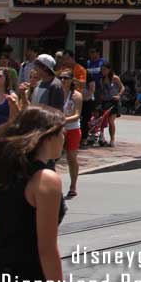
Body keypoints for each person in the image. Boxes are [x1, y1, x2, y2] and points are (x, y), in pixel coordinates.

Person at [0, 105, 67, 282]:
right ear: (48, 136)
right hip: (28, 279)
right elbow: (47, 249)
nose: (64, 139)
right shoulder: (46, 179)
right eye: (62, 133)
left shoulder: (4, 172)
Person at [57, 70, 83, 199]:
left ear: (72, 80)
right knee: (54, 157)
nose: (63, 80)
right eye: (60, 78)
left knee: (71, 157)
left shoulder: (76, 95)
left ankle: (73, 186)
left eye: (66, 78)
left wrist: (63, 119)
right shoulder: (56, 93)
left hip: (72, 128)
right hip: (57, 128)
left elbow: (77, 114)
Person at [95, 62, 123, 147]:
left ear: (109, 70)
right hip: (105, 101)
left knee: (111, 121)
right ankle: (101, 137)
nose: (103, 71)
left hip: (114, 101)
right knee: (102, 120)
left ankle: (112, 139)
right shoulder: (101, 79)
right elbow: (101, 91)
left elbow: (122, 87)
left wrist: (119, 95)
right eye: (102, 70)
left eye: (105, 70)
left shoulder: (115, 78)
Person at [0, 66, 21, 134]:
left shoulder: (12, 96)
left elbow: (15, 118)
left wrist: (14, 105)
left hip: (4, 133)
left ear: (6, 78)